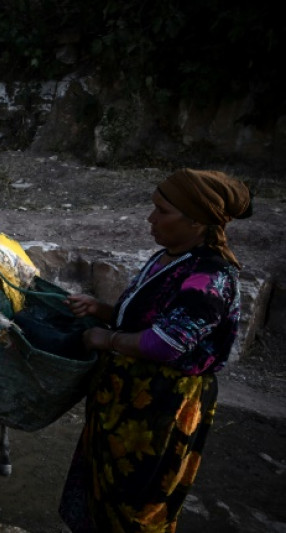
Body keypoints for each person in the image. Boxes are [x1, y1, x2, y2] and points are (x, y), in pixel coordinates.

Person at [57, 168, 253, 532]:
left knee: (135, 503)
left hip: (159, 410)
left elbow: (165, 343)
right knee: (101, 492)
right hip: (123, 400)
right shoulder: (169, 258)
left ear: (197, 221)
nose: (151, 218)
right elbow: (152, 318)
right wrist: (102, 310)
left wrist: (106, 339)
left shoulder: (211, 277)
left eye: (162, 211)